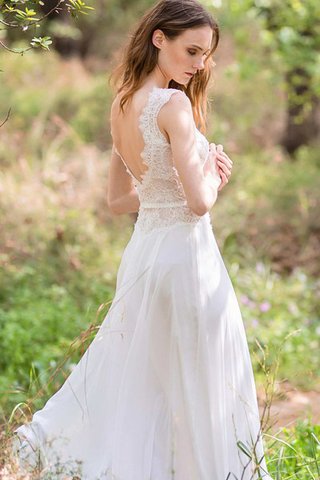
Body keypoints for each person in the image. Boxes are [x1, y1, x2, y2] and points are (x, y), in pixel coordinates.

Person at [11, 1, 273, 479]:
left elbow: (119, 200)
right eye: (191, 50)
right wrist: (216, 175)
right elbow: (198, 204)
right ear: (159, 39)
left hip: (145, 257)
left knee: (144, 375)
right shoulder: (173, 106)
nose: (199, 65)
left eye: (206, 56)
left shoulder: (122, 103)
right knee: (201, 379)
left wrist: (168, 192)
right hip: (186, 259)